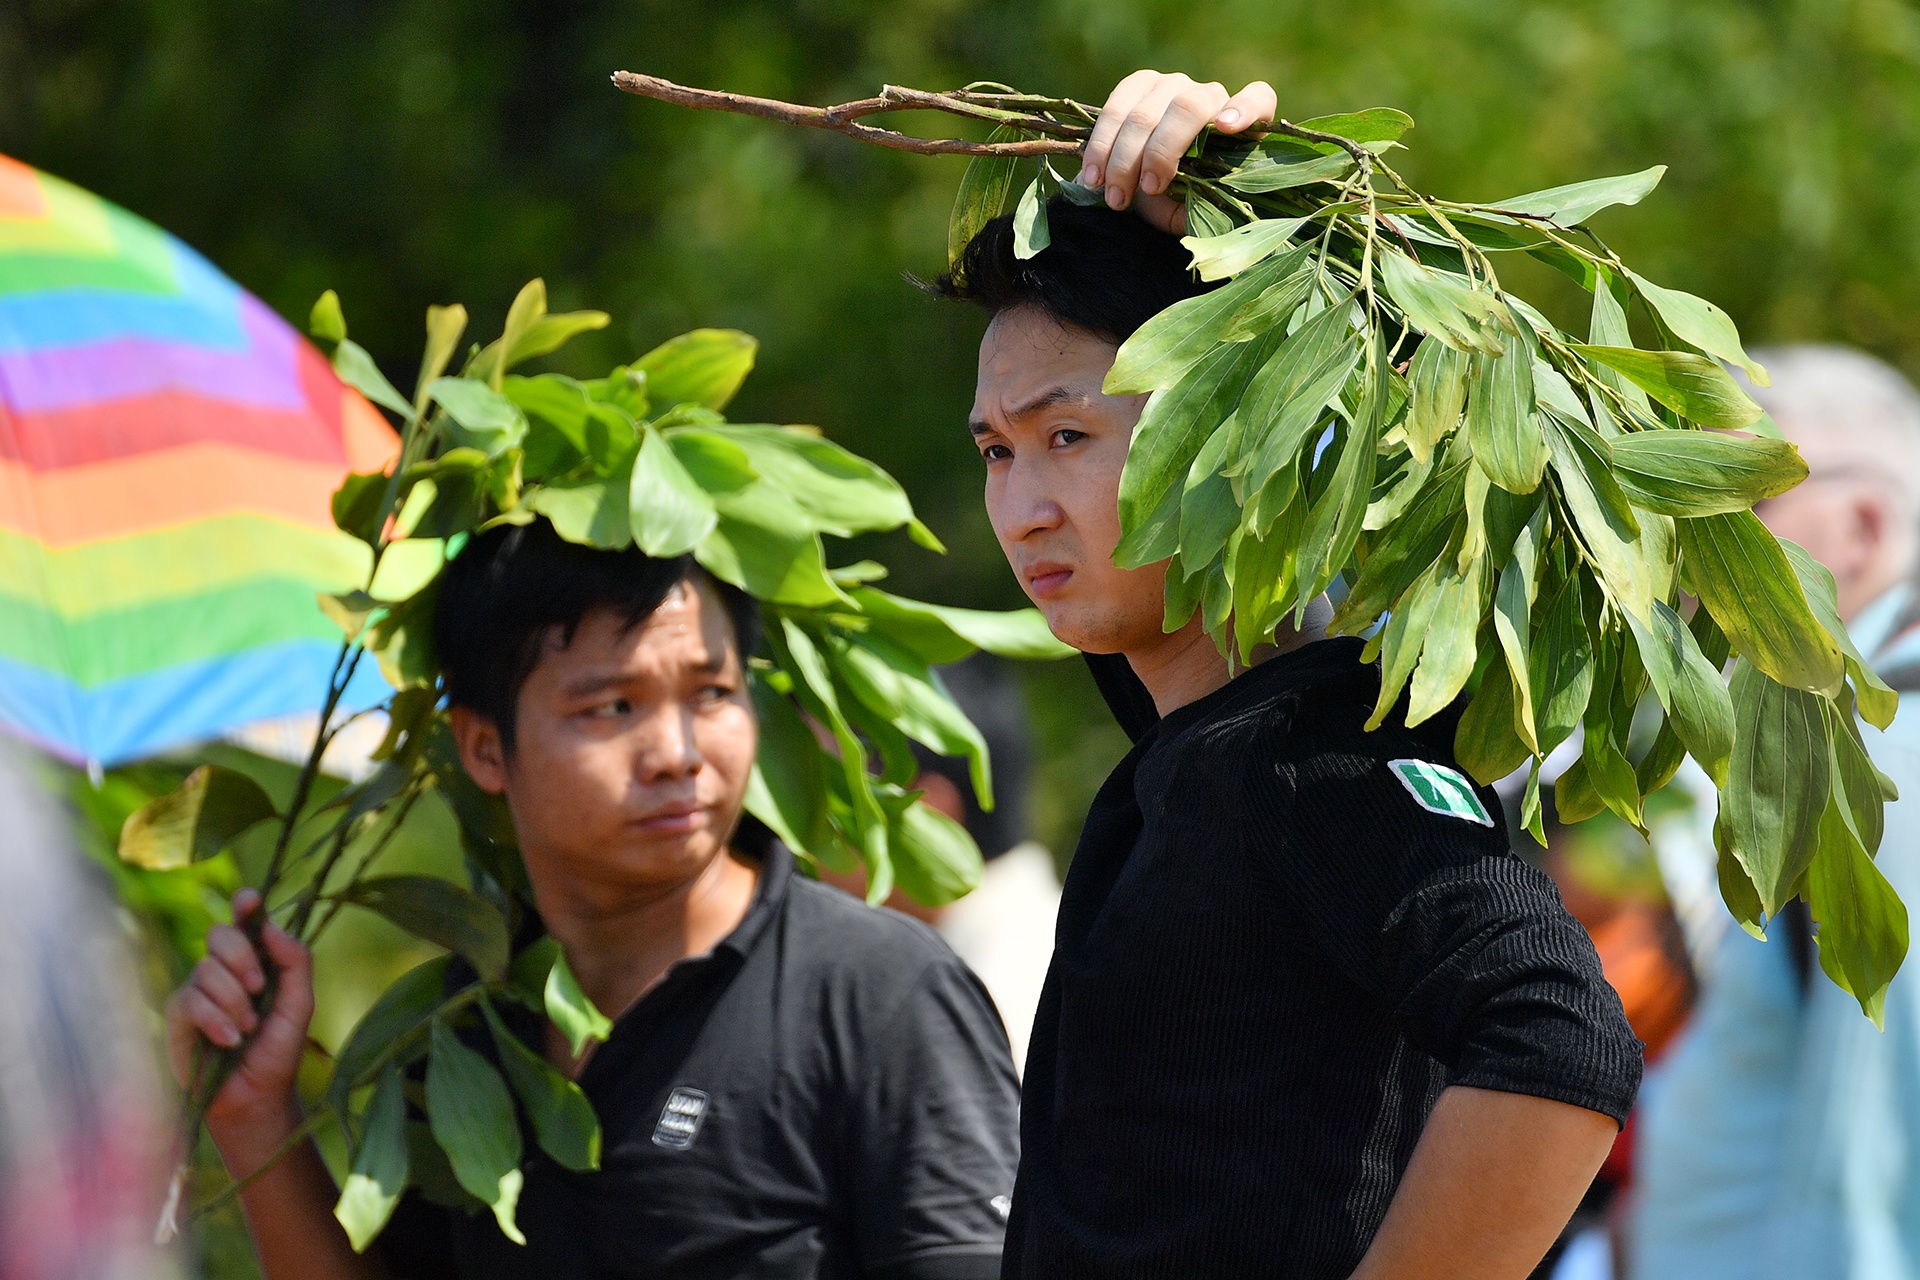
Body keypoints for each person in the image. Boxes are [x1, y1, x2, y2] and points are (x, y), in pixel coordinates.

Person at [930, 70, 1645, 1280]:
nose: (1021, 507)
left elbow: (1559, 1032)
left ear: (1231, 430)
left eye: (1067, 437)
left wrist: (1243, 200)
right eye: (998, 451)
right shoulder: (1192, 736)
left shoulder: (1327, 754)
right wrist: (1170, 208)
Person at [164, 519, 1021, 1280]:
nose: (676, 753)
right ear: (485, 749)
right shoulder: (466, 1036)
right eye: (614, 706)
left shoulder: (879, 997)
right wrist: (254, 1114)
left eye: (712, 693)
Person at [1630, 345, 1920, 1280]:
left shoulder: (1885, 764)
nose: (1674, 557)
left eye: (1727, 505)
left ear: (1862, 529)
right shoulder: (1840, 741)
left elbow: (1863, 1175)